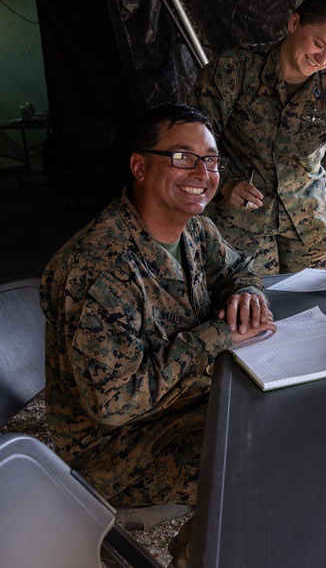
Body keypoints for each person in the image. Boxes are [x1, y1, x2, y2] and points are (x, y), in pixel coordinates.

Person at [40, 103, 277, 564]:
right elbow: (114, 404)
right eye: (183, 157)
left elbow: (239, 269)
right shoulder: (101, 266)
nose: (202, 173)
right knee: (257, 463)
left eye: (210, 160)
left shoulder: (194, 231)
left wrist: (246, 294)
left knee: (281, 422)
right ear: (139, 166)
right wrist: (218, 336)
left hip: (183, 403)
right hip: (117, 449)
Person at [188, 0, 326, 275]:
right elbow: (193, 143)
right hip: (238, 231)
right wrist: (224, 183)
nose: (323, 59)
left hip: (310, 234)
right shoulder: (234, 70)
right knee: (250, 312)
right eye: (318, 44)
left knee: (311, 314)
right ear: (294, 23)